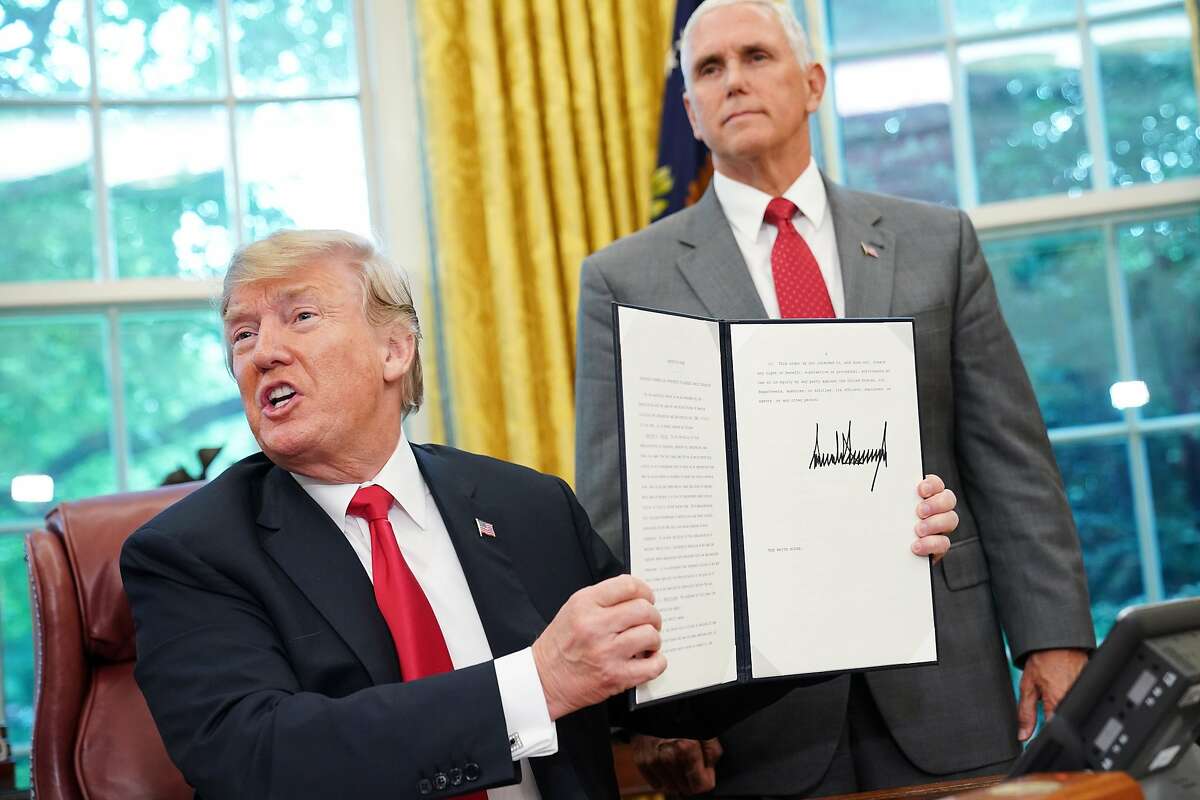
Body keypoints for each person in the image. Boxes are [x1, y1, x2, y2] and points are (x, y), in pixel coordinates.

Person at [121, 229, 960, 799]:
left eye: (300, 316)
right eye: (241, 334)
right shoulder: (190, 552)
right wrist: (535, 683)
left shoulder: (526, 507)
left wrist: (851, 565)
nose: (263, 349)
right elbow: (258, 758)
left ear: (394, 349)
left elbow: (663, 685)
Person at [574, 1, 1095, 797]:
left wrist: (1054, 640)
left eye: (756, 56)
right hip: (752, 721)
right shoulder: (626, 280)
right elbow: (623, 511)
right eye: (709, 69)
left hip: (945, 681)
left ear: (812, 83)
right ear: (690, 112)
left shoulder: (936, 243)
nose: (734, 81)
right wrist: (651, 704)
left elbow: (1010, 463)